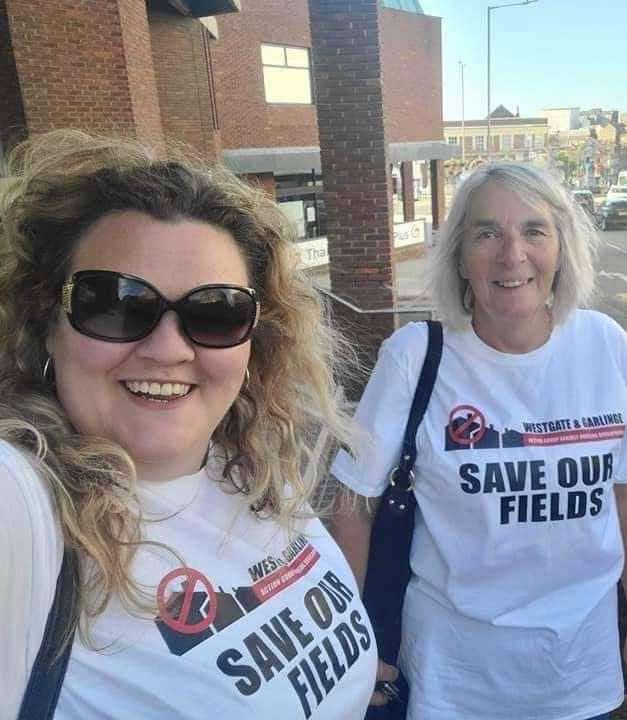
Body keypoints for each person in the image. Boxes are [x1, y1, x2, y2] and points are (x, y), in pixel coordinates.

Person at [0, 130, 384, 718]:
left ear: (256, 340)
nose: (168, 348)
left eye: (216, 312)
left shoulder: (254, 468)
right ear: (45, 320)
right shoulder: (23, 509)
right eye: (117, 303)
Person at [330, 162, 627, 720]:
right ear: (460, 255)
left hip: (579, 671)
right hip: (454, 680)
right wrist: (350, 643)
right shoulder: (415, 357)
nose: (512, 255)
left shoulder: (607, 345)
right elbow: (353, 504)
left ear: (562, 247)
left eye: (535, 230)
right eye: (487, 233)